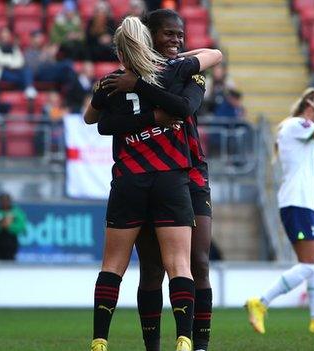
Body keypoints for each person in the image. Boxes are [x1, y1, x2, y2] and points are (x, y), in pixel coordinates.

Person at [92, 9, 223, 351]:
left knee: (199, 261)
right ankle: (154, 345)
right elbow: (100, 121)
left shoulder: (187, 73)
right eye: (169, 34)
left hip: (190, 171)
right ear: (149, 37)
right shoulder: (136, 75)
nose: (176, 41)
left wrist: (138, 85)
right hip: (162, 175)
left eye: (180, 36)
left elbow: (185, 108)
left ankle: (199, 345)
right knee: (152, 268)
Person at [245, 88, 314, 334]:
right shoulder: (296, 124)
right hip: (296, 203)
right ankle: (260, 302)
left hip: (304, 204)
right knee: (311, 265)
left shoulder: (302, 129)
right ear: (310, 105)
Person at [0, 27, 37, 98]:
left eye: (7, 35)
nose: (6, 37)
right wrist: (12, 60)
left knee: (27, 70)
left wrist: (8, 61)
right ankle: (25, 92)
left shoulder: (14, 47)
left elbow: (20, 61)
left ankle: (29, 89)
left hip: (15, 70)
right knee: (22, 79)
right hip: (1, 72)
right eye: (4, 35)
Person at [0, 193, 27, 261]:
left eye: (6, 201)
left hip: (11, 243)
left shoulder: (16, 213)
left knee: (10, 265)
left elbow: (21, 227)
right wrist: (0, 226)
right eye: (2, 201)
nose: (4, 203)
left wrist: (9, 226)